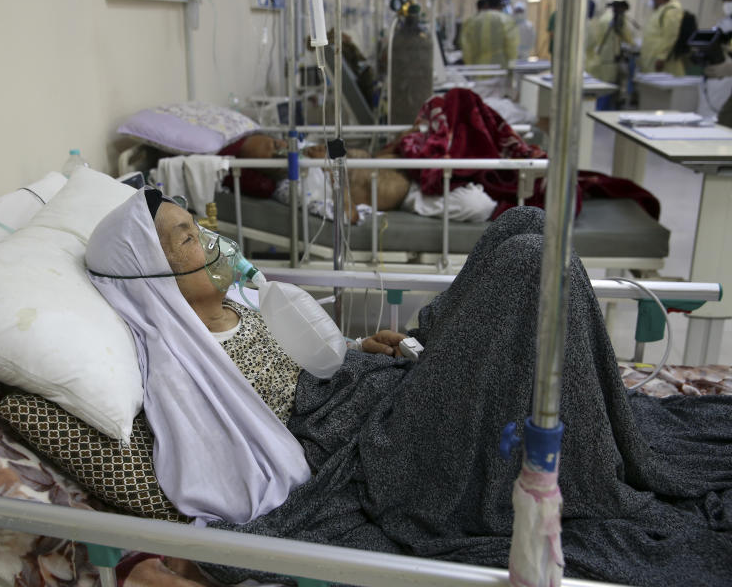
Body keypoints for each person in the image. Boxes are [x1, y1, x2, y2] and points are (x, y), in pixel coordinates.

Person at [86, 187, 732, 587]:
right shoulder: (179, 363)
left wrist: (355, 349)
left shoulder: (242, 301)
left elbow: (309, 356)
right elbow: (224, 477)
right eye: (190, 237)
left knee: (523, 223)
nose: (214, 241)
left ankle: (462, 345)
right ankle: (592, 454)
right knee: (530, 262)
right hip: (378, 444)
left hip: (380, 384)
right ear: (152, 276)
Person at [586, 0, 634, 109]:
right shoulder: (612, 20)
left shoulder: (602, 19)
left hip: (602, 58)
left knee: (603, 88)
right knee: (606, 89)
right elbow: (626, 36)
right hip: (608, 59)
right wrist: (632, 44)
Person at [461, 0, 517, 67]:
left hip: (477, 68)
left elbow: (466, 47)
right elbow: (512, 46)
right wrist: (512, 66)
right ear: (500, 4)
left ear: (487, 3)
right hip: (500, 67)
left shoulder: (472, 21)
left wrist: (470, 65)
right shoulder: (506, 20)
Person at [639, 0, 685, 75]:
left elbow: (670, 36)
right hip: (652, 57)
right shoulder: (660, 11)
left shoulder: (671, 12)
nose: (652, 1)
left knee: (660, 86)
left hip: (660, 61)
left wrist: (661, 57)